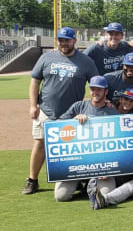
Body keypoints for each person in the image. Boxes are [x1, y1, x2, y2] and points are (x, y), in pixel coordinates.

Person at [23, 27, 98, 195]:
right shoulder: (46, 57)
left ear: (74, 41)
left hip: (72, 114)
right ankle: (32, 180)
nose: (64, 43)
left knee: (71, 148)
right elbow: (35, 81)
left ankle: (73, 178)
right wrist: (33, 105)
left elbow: (95, 85)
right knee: (40, 143)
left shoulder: (85, 61)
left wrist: (92, 106)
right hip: (46, 109)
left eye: (67, 40)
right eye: (61, 40)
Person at [55, 76, 119, 201]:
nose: (95, 92)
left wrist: (110, 170)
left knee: (106, 194)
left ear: (106, 91)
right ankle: (81, 184)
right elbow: (56, 126)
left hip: (102, 166)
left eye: (99, 90)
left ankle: (90, 184)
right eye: (92, 89)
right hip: (77, 164)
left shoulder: (112, 112)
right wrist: (73, 121)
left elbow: (117, 144)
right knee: (61, 196)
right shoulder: (79, 106)